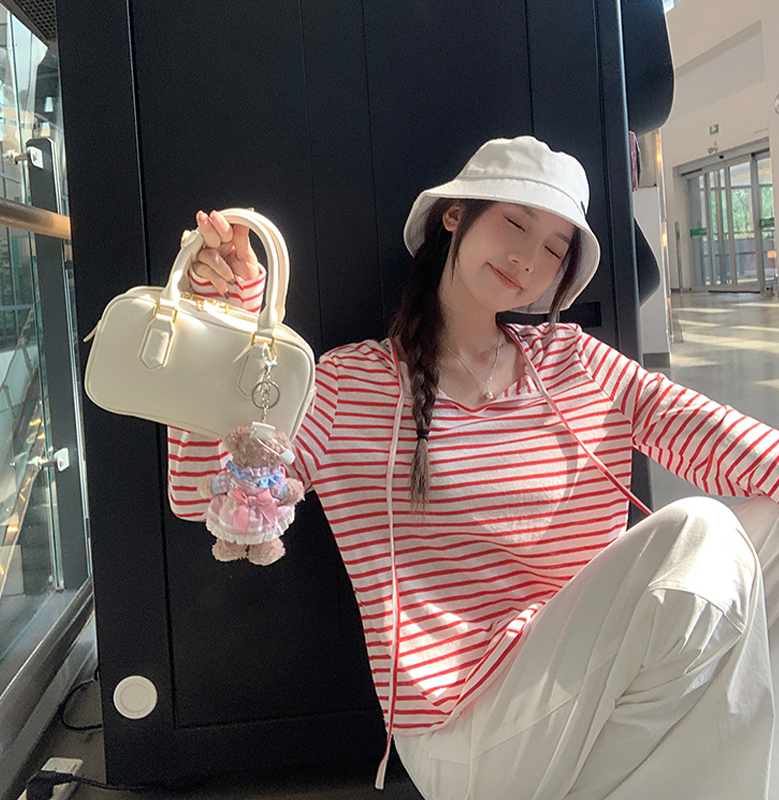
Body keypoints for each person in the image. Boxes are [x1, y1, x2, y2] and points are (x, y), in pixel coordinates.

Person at [167, 136, 779, 800]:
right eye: (515, 223)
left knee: (766, 529)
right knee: (704, 534)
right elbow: (205, 496)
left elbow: (722, 441)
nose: (527, 258)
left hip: (592, 691)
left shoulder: (575, 361)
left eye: (554, 249)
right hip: (466, 725)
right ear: (454, 216)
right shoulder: (351, 383)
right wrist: (227, 315)